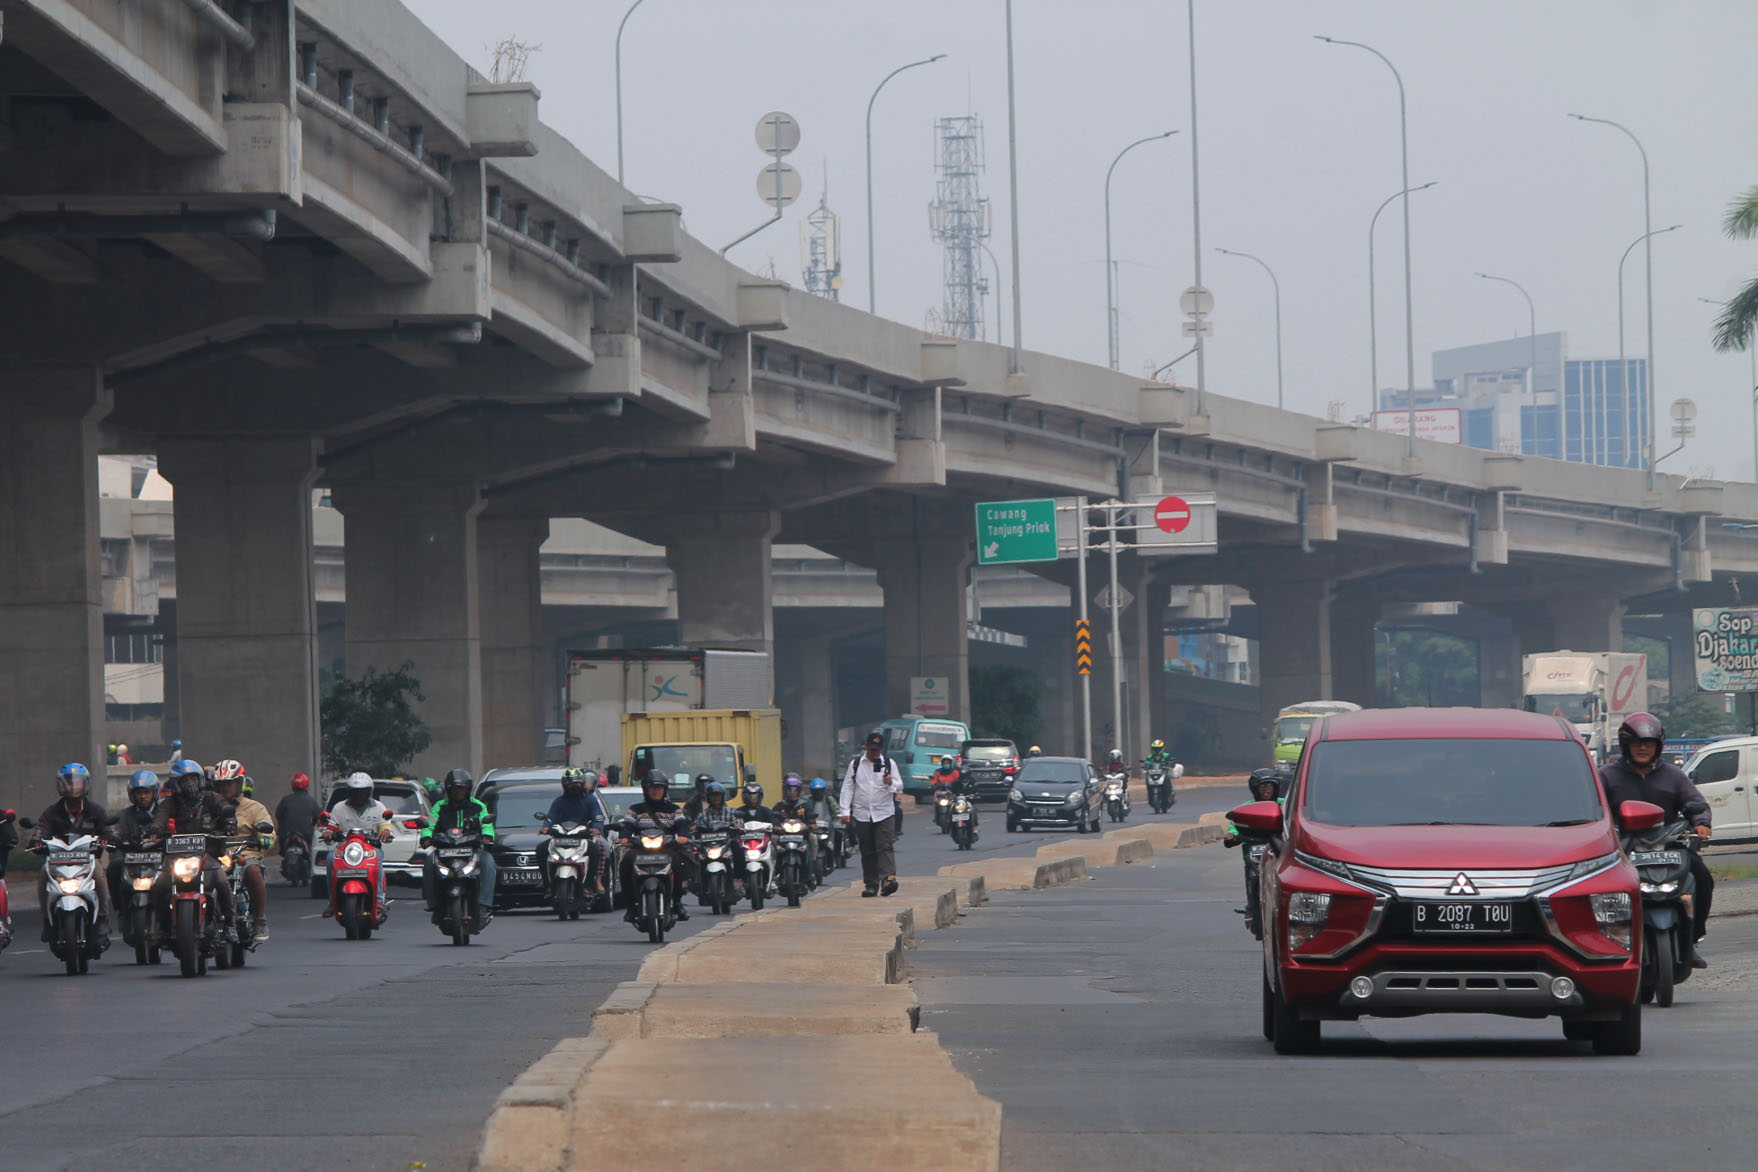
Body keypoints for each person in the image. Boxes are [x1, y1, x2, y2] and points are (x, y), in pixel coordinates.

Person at [1599, 712, 1715, 968]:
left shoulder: (1674, 775)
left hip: (1668, 844)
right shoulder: (1606, 776)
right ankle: (1609, 943)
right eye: (1636, 743)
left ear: (1658, 746)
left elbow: (1695, 802)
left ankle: (1692, 938)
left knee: (1702, 877)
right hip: (1622, 848)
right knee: (1598, 887)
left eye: (1649, 743)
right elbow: (1594, 809)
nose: (1642, 748)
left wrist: (1701, 822)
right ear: (1625, 746)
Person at [32, 763, 114, 946]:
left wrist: (108, 838)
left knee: (99, 873)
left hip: (88, 861)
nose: (74, 786)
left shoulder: (96, 810)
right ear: (61, 785)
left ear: (86, 784)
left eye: (78, 782)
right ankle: (46, 920)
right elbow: (41, 828)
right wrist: (37, 840)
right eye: (69, 782)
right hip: (57, 862)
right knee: (43, 873)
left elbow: (109, 828)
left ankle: (102, 917)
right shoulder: (52, 812)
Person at [152, 759, 237, 934]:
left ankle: (230, 924)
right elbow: (160, 817)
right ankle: (163, 925)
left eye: (193, 779)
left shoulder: (212, 797)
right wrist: (155, 829)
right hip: (177, 857)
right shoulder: (170, 803)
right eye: (185, 780)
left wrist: (229, 824)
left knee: (222, 881)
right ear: (176, 784)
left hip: (209, 855)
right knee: (158, 886)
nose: (190, 784)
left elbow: (226, 810)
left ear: (201, 780)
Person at [210, 760, 276, 943]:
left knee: (254, 871)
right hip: (216, 856)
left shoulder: (254, 807)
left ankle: (260, 920)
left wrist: (265, 838)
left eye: (229, 783)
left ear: (239, 784)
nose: (225, 788)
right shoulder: (209, 806)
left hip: (245, 854)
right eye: (222, 784)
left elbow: (268, 829)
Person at [421, 769, 497, 923]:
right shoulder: (439, 806)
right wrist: (426, 837)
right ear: (449, 790)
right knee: (429, 863)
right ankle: (434, 905)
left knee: (489, 863)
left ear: (468, 790)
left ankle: (484, 905)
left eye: (462, 789)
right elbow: (429, 825)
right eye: (455, 789)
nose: (458, 792)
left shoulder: (478, 806)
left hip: (473, 850)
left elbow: (486, 823)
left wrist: (487, 836)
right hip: (445, 850)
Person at [618, 770, 692, 922]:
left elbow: (682, 825)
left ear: (665, 789)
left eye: (659, 787)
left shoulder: (674, 809)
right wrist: (624, 837)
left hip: (667, 848)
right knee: (625, 863)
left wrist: (683, 836)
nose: (656, 791)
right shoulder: (635, 809)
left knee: (677, 863)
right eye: (652, 787)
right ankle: (630, 907)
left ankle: (677, 903)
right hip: (640, 850)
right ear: (646, 789)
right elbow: (627, 826)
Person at [840, 731, 903, 897]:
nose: (874, 753)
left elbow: (900, 786)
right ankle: (871, 884)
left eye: (877, 750)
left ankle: (888, 879)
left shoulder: (889, 763)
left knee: (885, 845)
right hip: (862, 813)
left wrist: (890, 782)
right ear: (865, 746)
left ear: (882, 748)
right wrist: (845, 811)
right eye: (871, 749)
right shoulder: (856, 764)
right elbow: (848, 787)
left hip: (884, 812)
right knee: (867, 849)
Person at [325, 773, 395, 921]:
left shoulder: (379, 807)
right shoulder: (339, 808)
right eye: (355, 792)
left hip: (370, 848)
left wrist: (385, 832)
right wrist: (328, 833)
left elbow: (385, 827)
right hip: (345, 848)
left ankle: (379, 900)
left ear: (369, 792)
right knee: (330, 859)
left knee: (377, 859)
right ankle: (333, 902)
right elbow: (331, 828)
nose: (358, 795)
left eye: (362, 792)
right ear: (349, 792)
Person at [1226, 768, 1285, 934]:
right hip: (1253, 851)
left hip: (1280, 849)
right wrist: (1232, 835)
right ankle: (1252, 907)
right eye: (1262, 786)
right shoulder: (1246, 807)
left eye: (1269, 785)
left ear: (1276, 787)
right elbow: (1234, 827)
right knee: (1252, 875)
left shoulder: (1285, 804)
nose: (1266, 790)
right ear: (1254, 789)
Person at [538, 768, 608, 898]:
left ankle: (590, 884)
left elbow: (597, 815)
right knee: (541, 849)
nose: (574, 786)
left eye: (577, 783)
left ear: (582, 783)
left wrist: (596, 827)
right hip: (560, 837)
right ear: (565, 785)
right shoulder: (559, 801)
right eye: (571, 784)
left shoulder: (591, 800)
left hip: (584, 837)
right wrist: (545, 827)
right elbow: (551, 817)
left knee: (597, 849)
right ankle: (547, 882)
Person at [109, 769, 163, 903]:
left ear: (154, 792)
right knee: (114, 867)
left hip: (160, 859)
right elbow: (115, 829)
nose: (143, 796)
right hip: (132, 859)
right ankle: (119, 907)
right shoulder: (125, 814)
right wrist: (112, 837)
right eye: (139, 793)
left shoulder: (163, 812)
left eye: (146, 792)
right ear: (132, 795)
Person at [772, 773, 822, 886]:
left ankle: (811, 871)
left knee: (813, 838)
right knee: (773, 839)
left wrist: (812, 824)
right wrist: (775, 825)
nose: (792, 792)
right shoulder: (780, 805)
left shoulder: (805, 804)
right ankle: (774, 870)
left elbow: (811, 815)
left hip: (802, 834)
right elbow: (773, 816)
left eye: (795, 790)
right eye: (789, 790)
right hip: (783, 835)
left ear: (799, 791)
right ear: (785, 790)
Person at [274, 773, 320, 856]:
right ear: (306, 785)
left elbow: (278, 816)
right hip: (305, 835)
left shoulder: (286, 800)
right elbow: (318, 817)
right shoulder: (311, 801)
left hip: (287, 835)